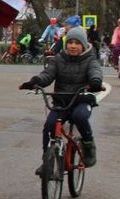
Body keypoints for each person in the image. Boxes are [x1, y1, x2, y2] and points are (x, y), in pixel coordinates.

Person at [19, 26, 103, 167]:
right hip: (62, 101)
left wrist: (95, 82)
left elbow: (95, 72)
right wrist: (35, 82)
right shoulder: (59, 59)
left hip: (82, 100)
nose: (73, 46)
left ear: (83, 45)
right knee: (49, 125)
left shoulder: (90, 59)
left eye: (77, 43)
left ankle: (88, 145)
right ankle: (47, 160)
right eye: (70, 43)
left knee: (80, 117)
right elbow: (47, 74)